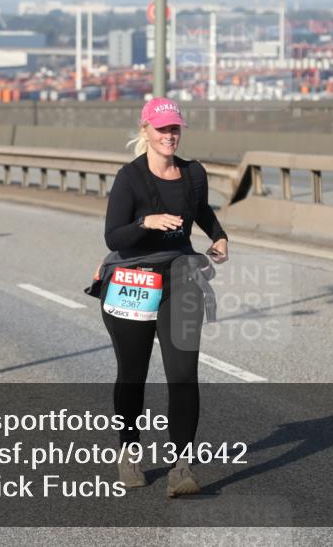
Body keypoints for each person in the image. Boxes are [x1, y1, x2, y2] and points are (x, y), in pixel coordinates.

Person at [99, 96, 228, 498]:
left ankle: (181, 467)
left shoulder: (193, 174)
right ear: (146, 131)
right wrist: (145, 222)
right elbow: (114, 236)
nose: (169, 136)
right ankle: (129, 451)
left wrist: (219, 236)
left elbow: (200, 210)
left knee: (184, 375)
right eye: (161, 129)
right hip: (134, 280)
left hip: (181, 279)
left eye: (174, 129)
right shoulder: (130, 178)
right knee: (133, 373)